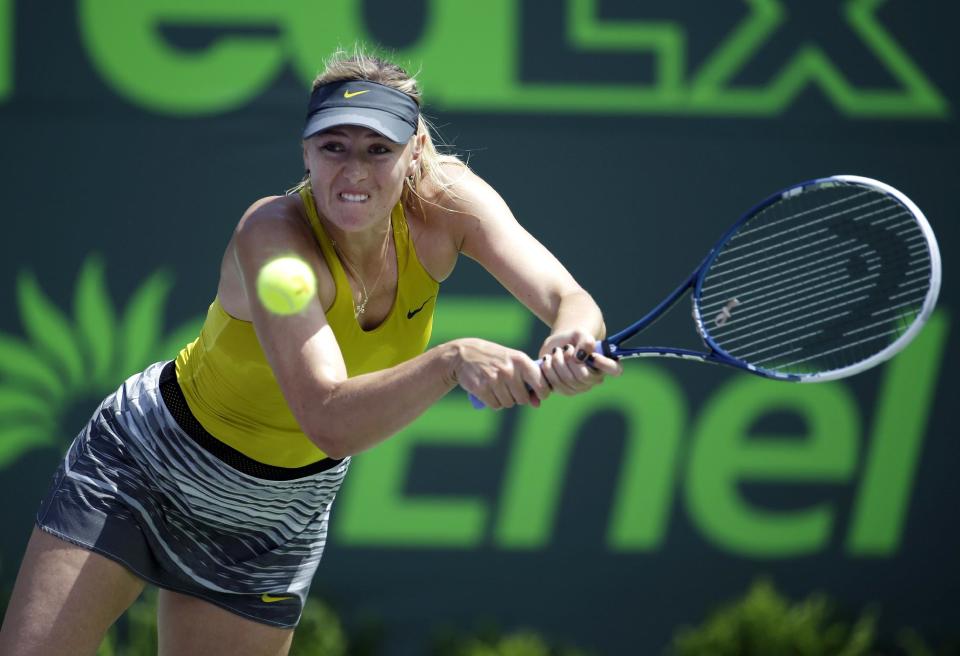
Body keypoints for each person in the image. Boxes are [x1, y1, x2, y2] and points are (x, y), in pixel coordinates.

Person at [0, 48, 621, 656]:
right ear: (305, 152)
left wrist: (571, 336)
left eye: (379, 149)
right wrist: (451, 361)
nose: (353, 171)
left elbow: (567, 296)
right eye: (333, 147)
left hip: (276, 521)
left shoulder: (448, 203)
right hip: (143, 470)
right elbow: (327, 419)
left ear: (417, 152)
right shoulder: (271, 234)